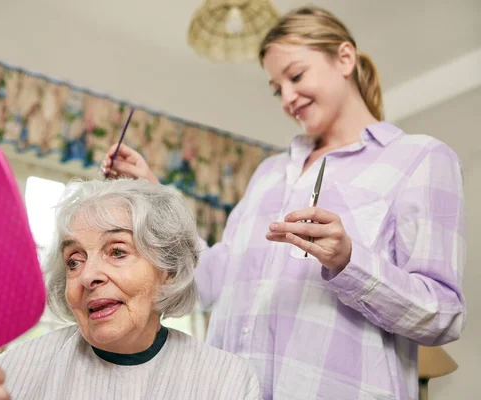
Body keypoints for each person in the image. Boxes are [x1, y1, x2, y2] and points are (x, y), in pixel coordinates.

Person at [100, 6, 466, 400]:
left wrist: (348, 262)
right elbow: (207, 284)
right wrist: (153, 194)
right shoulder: (269, 173)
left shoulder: (419, 158)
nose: (287, 98)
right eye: (277, 89)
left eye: (296, 76)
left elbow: (442, 315)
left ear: (344, 58)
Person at [0, 179, 262, 400]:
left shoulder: (227, 381)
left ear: (168, 270)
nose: (87, 276)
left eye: (118, 251)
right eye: (74, 261)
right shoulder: (13, 371)